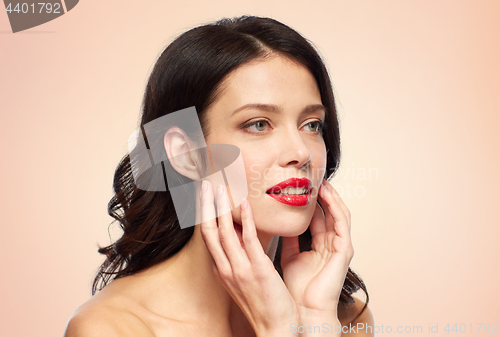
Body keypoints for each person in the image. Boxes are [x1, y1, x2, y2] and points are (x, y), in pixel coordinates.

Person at [64, 15, 374, 337]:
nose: (301, 152)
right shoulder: (113, 328)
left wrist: (313, 320)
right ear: (184, 154)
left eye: (312, 125)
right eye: (258, 124)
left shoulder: (342, 319)